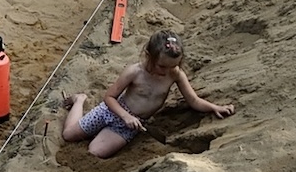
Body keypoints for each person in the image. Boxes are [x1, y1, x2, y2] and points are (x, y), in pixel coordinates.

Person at [61, 31, 235, 159]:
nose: (166, 71)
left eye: (172, 66)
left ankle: (103, 134)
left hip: (131, 125)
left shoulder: (176, 74)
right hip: (112, 111)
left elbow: (193, 100)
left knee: (95, 152)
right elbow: (109, 97)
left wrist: (215, 107)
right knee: (69, 135)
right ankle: (80, 100)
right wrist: (125, 115)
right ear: (149, 56)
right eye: (161, 66)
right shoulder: (134, 72)